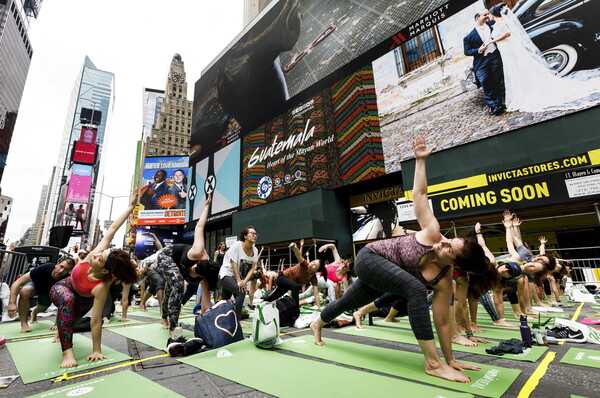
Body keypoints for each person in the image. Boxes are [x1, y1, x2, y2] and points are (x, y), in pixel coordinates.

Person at [311, 136, 487, 383]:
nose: (442, 242)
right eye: (449, 240)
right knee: (414, 289)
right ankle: (432, 364)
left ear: (455, 265)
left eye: (449, 249)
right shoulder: (432, 231)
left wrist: (452, 359)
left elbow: (443, 322)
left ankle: (317, 323)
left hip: (385, 275)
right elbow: (420, 194)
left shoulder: (444, 280)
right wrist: (420, 161)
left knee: (347, 302)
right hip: (371, 258)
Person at [49, 195, 139, 368]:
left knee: (68, 319)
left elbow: (96, 320)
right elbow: (112, 229)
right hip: (62, 288)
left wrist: (96, 350)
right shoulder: (89, 257)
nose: (95, 254)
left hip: (84, 300)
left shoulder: (101, 286)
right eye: (99, 253)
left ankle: (61, 332)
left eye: (100, 257)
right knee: (68, 300)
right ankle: (67, 353)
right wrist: (131, 207)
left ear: (104, 270)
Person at [486, 3, 600, 112]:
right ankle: (525, 89)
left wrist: (492, 41)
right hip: (507, 50)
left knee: (516, 68)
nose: (489, 15)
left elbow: (507, 34)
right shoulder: (499, 21)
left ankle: (526, 92)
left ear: (494, 14)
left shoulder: (501, 22)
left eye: (490, 13)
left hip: (509, 50)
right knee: (515, 69)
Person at [156, 194, 219, 337]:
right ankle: (172, 327)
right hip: (166, 255)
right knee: (177, 285)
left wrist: (207, 323)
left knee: (171, 288)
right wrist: (207, 206)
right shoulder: (198, 251)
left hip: (178, 265)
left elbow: (206, 305)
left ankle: (164, 318)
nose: (193, 267)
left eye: (196, 271)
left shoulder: (205, 278)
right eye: (196, 265)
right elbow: (199, 227)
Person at [8, 257, 75, 333]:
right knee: (24, 291)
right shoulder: (45, 268)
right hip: (36, 285)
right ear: (57, 264)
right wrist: (12, 303)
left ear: (69, 271)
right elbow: (17, 283)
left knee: (42, 308)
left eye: (66, 269)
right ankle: (24, 324)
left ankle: (34, 313)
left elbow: (64, 301)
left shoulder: (67, 279)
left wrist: (58, 323)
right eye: (61, 266)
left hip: (48, 293)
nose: (61, 271)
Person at [463, 8, 505, 116]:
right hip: (481, 61)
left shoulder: (492, 24)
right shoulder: (469, 37)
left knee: (496, 79)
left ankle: (498, 104)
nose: (487, 16)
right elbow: (467, 51)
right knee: (485, 81)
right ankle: (493, 106)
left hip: (495, 55)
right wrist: (478, 50)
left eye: (488, 14)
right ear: (477, 18)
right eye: (484, 15)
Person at [264, 239, 322, 308]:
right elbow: (299, 256)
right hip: (282, 277)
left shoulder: (313, 278)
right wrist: (295, 247)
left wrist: (319, 309)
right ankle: (295, 308)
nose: (312, 264)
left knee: (273, 297)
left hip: (288, 285)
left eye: (315, 265)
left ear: (317, 270)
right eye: (313, 262)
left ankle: (261, 304)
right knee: (295, 286)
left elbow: (316, 294)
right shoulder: (305, 264)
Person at [218, 226, 260, 321]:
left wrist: (244, 282)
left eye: (255, 234)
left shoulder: (255, 250)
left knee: (225, 300)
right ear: (245, 236)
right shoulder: (237, 245)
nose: (255, 235)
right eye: (252, 233)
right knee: (241, 292)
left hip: (236, 278)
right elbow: (233, 263)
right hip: (226, 274)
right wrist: (238, 281)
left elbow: (252, 268)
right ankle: (238, 321)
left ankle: (218, 316)